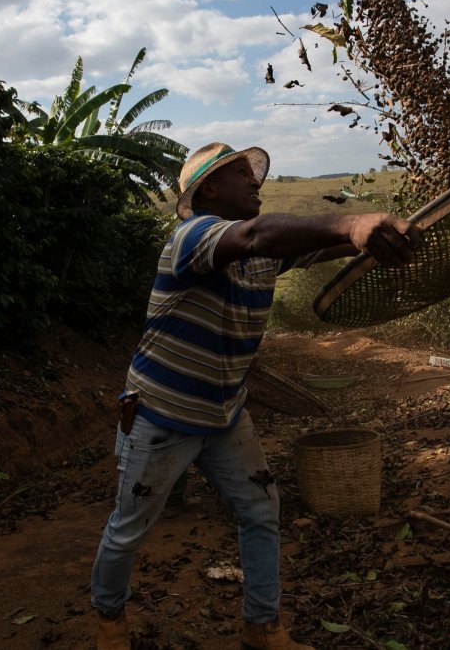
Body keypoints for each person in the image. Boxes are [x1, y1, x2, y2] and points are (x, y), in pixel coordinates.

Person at [90, 142, 420, 650]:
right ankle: (110, 623)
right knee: (128, 527)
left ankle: (262, 627)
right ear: (211, 189)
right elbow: (256, 234)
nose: (256, 183)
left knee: (262, 512)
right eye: (243, 174)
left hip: (225, 414)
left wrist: (371, 238)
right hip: (163, 414)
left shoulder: (258, 257)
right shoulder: (192, 238)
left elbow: (310, 246)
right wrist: (351, 222)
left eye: (254, 174)